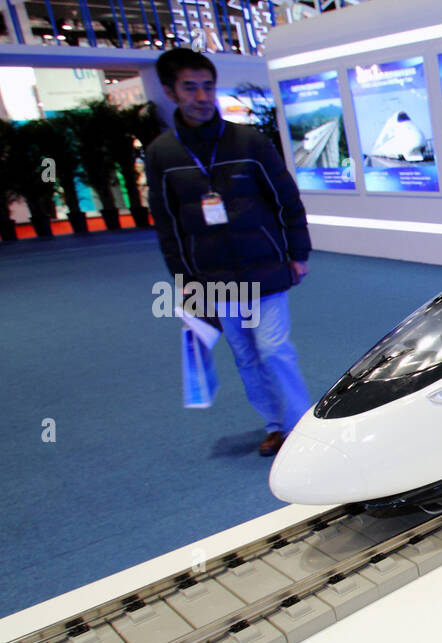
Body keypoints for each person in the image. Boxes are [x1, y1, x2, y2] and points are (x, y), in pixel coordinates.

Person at [145, 49, 313, 457]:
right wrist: (184, 280)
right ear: (170, 92)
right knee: (246, 356)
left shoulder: (250, 142)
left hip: (265, 267)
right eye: (190, 88)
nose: (202, 96)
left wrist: (298, 252)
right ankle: (275, 425)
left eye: (208, 86)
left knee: (274, 350)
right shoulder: (162, 154)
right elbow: (167, 224)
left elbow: (287, 200)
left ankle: (300, 426)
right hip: (215, 278)